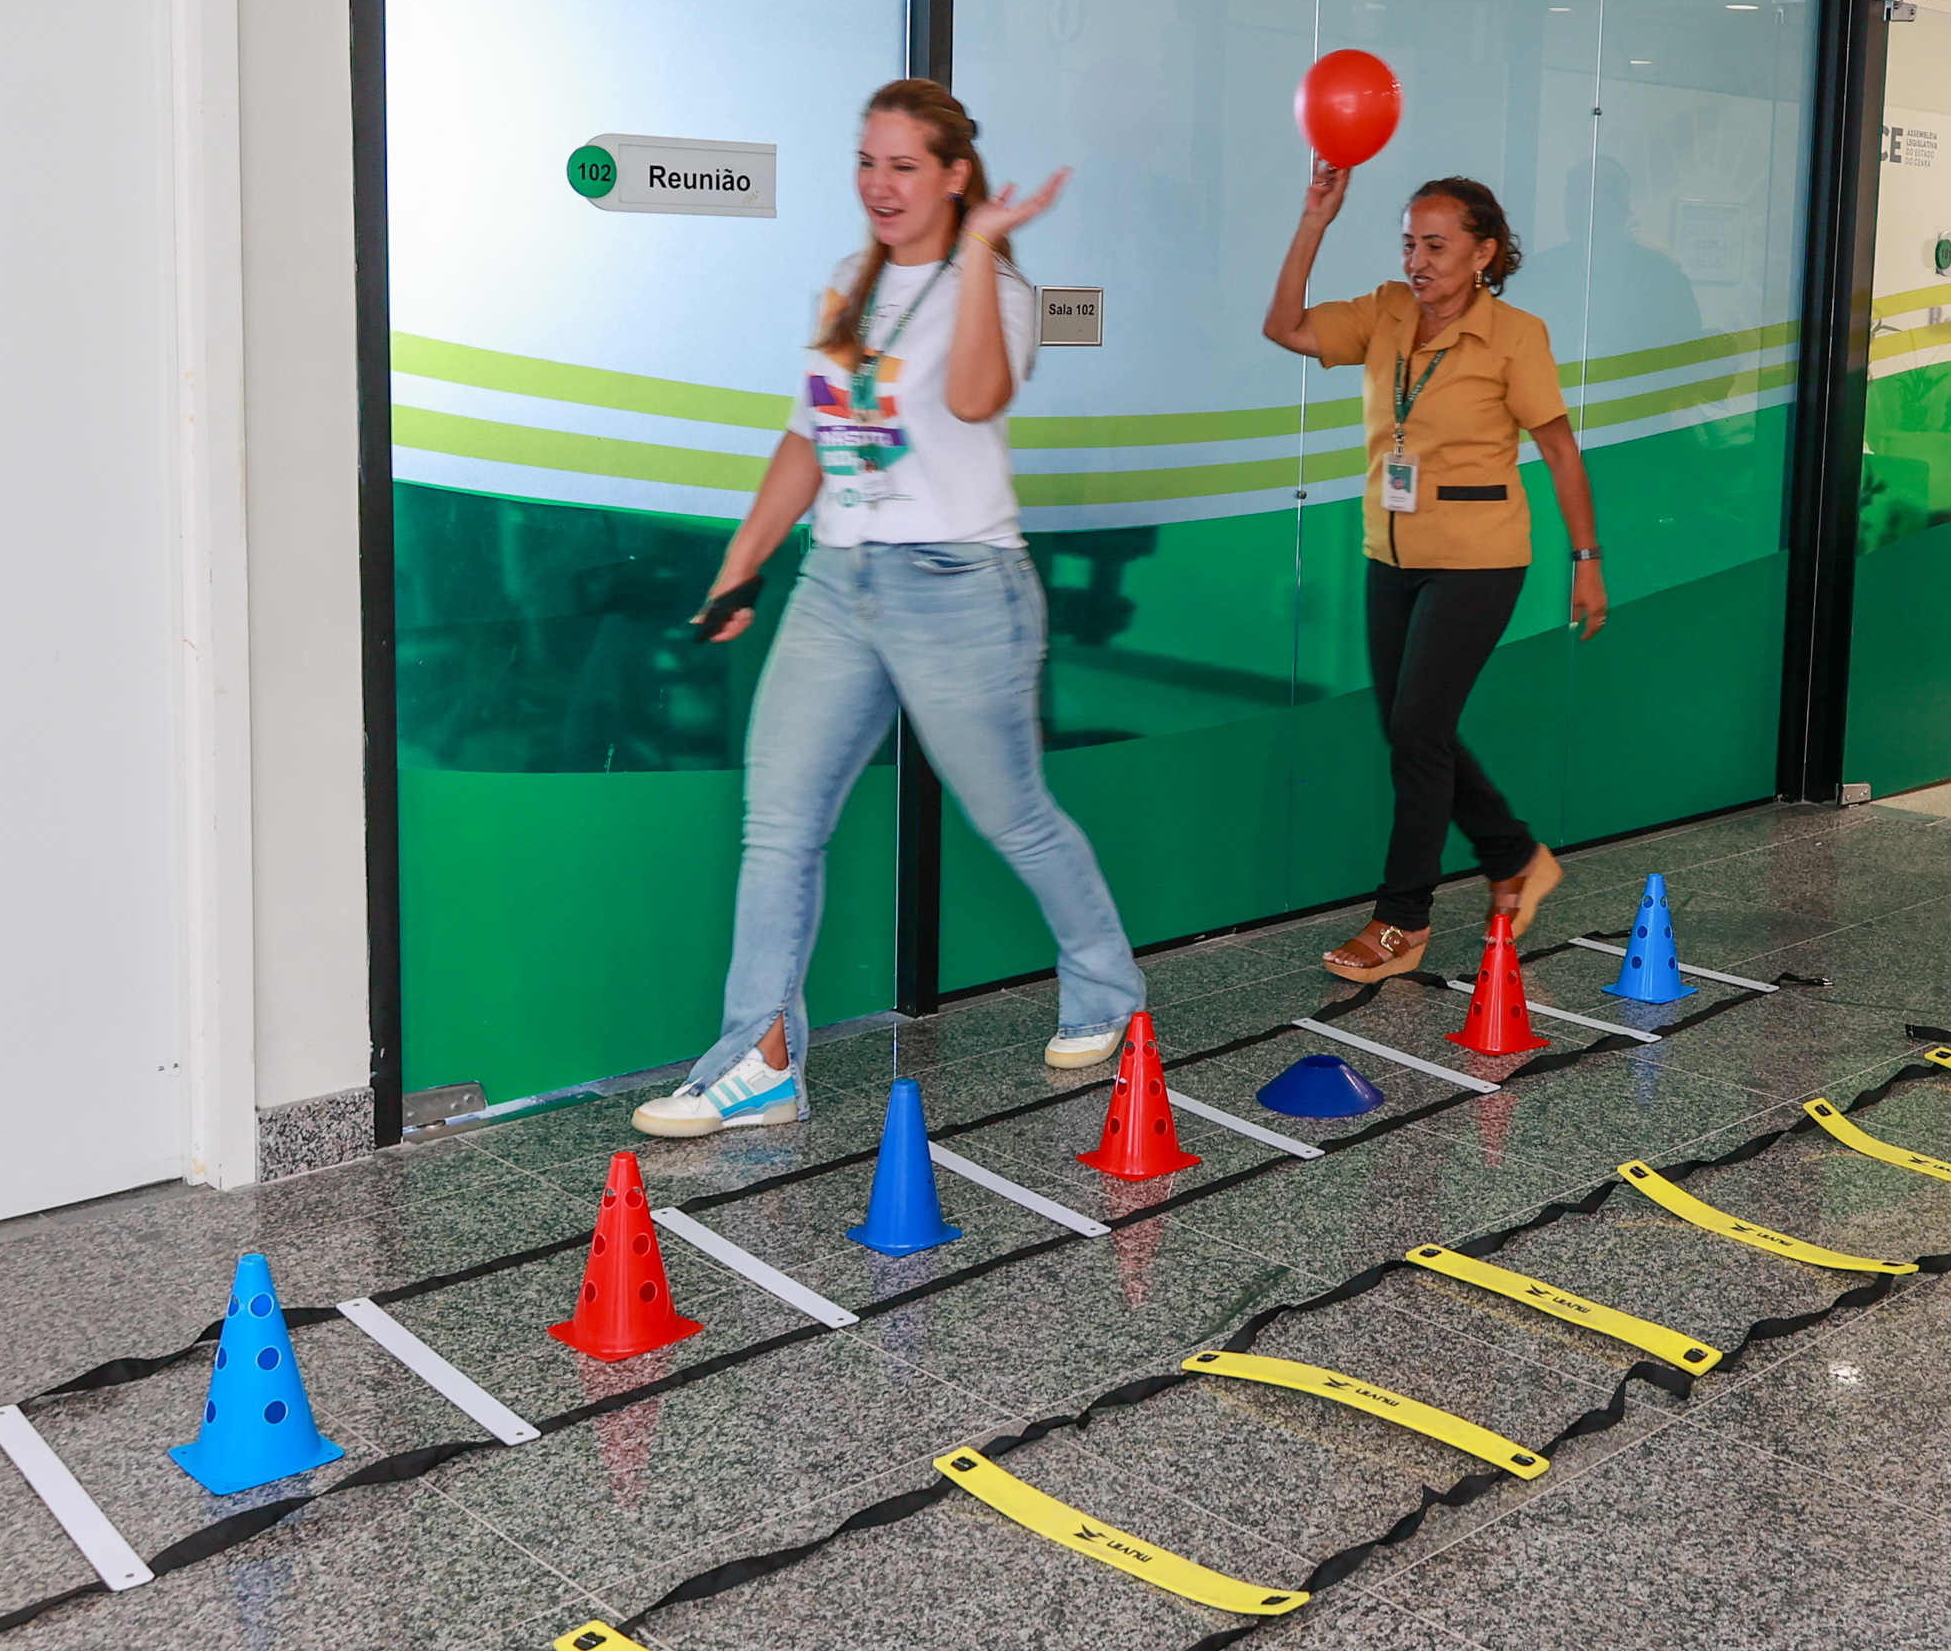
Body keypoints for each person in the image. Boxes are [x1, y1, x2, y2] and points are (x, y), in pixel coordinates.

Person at [635, 80, 1147, 1136]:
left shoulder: (998, 289)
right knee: (779, 824)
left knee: (1012, 813)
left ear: (954, 174)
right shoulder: (846, 282)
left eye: (904, 165)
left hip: (959, 584)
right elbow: (812, 436)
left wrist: (980, 248)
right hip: (838, 580)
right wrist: (740, 564)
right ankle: (758, 1060)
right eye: (867, 162)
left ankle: (1106, 986)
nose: (879, 183)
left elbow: (973, 397)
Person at [1260, 162, 1605, 979]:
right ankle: (1513, 854)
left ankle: (1403, 919)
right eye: (1409, 243)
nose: (1418, 260)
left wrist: (1587, 560)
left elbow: (1559, 450)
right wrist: (1314, 221)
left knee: (1417, 730)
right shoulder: (1385, 311)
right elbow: (1285, 327)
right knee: (1413, 727)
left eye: (1437, 246)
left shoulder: (1515, 335)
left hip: (1478, 557)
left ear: (1483, 253)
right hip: (1392, 553)